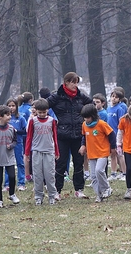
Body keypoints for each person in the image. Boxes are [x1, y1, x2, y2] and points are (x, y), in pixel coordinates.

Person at [47, 72, 93, 200]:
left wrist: (86, 119)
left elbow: (91, 106)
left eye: (76, 82)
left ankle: (79, 189)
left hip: (78, 134)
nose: (75, 85)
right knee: (61, 163)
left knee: (79, 162)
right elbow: (44, 105)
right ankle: (57, 190)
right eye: (72, 82)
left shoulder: (80, 96)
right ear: (66, 82)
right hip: (62, 134)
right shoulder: (57, 96)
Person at [25, 99, 59, 205]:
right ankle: (38, 196)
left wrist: (56, 152)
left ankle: (52, 195)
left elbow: (55, 137)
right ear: (36, 111)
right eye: (40, 112)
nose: (42, 114)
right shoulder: (32, 121)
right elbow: (29, 137)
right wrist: (27, 153)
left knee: (50, 175)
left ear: (47, 110)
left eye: (44, 112)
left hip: (49, 151)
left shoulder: (52, 121)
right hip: (36, 151)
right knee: (37, 175)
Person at [79, 104, 115, 202]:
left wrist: (113, 148)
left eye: (88, 117)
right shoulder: (84, 125)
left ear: (93, 115)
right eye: (84, 117)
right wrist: (83, 146)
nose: (86, 119)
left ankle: (107, 188)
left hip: (102, 152)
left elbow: (112, 134)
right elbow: (84, 137)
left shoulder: (102, 124)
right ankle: (99, 195)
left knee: (99, 170)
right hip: (91, 153)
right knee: (93, 176)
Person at [0, 105, 19, 208]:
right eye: (7, 115)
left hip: (9, 157)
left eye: (10, 114)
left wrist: (11, 146)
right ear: (0, 116)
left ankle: (12, 194)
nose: (10, 117)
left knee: (12, 176)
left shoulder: (11, 128)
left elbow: (15, 141)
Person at [5, 98, 27, 191]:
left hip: (18, 143)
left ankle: (21, 183)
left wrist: (16, 131)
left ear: (16, 107)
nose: (11, 108)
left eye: (13, 106)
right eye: (9, 106)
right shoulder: (5, 118)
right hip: (7, 144)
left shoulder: (20, 118)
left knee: (20, 163)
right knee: (7, 163)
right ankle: (7, 184)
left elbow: (25, 131)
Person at [107, 89, 126, 181]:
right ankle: (113, 173)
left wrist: (121, 136)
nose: (113, 98)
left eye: (116, 97)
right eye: (112, 96)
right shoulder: (108, 108)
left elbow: (121, 122)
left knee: (120, 154)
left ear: (119, 99)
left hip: (117, 134)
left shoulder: (120, 109)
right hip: (109, 134)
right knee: (112, 154)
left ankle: (124, 173)